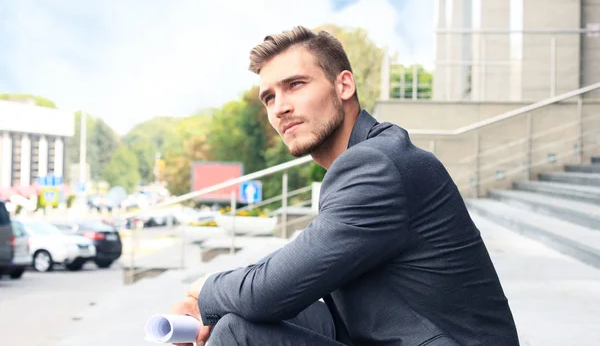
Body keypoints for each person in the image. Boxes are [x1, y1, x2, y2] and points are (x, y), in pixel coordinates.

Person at [169, 26, 520, 346]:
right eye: (269, 98)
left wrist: (205, 289)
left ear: (344, 85)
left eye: (295, 85)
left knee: (238, 332)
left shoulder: (378, 164)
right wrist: (216, 307)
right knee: (237, 315)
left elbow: (269, 290)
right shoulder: (363, 161)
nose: (280, 108)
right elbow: (288, 273)